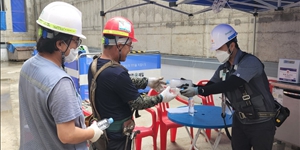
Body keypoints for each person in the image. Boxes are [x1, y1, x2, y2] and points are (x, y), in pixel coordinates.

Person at [18, 2, 103, 150]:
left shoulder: (28, 66)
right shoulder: (60, 82)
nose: (77, 47)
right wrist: (92, 132)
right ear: (60, 44)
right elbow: (67, 135)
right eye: (75, 41)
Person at [180, 24, 276, 150]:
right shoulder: (224, 68)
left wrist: (199, 90)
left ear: (232, 45)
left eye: (220, 48)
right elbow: (210, 87)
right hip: (240, 121)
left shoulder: (250, 62)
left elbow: (231, 84)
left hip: (261, 122)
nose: (218, 52)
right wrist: (192, 87)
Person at [87, 16, 177, 150]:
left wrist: (147, 82)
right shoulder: (117, 73)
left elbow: (118, 84)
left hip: (102, 132)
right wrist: (161, 97)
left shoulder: (95, 65)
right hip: (117, 138)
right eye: (129, 45)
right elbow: (138, 103)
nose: (129, 50)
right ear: (119, 45)